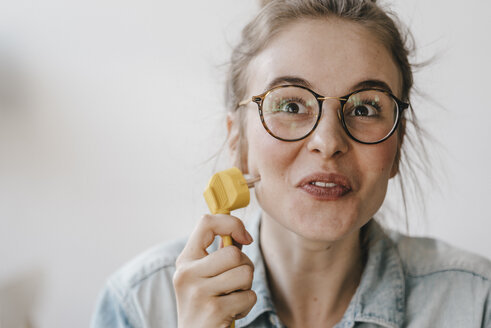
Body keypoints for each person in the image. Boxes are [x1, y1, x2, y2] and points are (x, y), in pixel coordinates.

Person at [91, 0, 491, 327]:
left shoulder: (477, 303)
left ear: (397, 146)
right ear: (238, 139)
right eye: (290, 105)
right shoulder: (139, 305)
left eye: (366, 108)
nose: (329, 142)